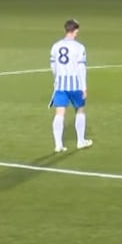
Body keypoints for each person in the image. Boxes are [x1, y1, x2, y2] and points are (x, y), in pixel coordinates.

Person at [49, 19, 93, 153]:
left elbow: (53, 66)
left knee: (59, 113)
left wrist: (57, 79)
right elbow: (81, 68)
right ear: (75, 31)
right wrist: (84, 87)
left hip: (61, 84)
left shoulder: (55, 46)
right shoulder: (79, 47)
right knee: (80, 110)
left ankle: (58, 144)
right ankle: (80, 141)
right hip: (75, 84)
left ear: (65, 30)